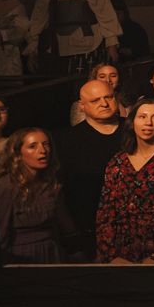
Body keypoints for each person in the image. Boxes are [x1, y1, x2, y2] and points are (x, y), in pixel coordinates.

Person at [94, 98, 154, 262]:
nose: (149, 123)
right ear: (132, 121)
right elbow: (106, 213)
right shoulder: (118, 162)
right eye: (142, 116)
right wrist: (112, 256)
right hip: (120, 252)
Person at [0, 129, 78, 263]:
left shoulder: (51, 184)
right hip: (21, 257)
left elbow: (66, 227)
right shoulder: (4, 188)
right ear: (18, 153)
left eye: (46, 144)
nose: (43, 150)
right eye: (33, 146)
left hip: (52, 254)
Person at [55, 78, 129, 251]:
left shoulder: (134, 130)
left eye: (108, 97)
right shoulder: (66, 140)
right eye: (95, 100)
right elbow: (59, 188)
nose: (104, 103)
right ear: (82, 105)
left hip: (135, 224)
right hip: (88, 226)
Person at [25, 0, 120, 75]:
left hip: (88, 46)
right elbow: (38, 19)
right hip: (58, 47)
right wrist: (33, 49)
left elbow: (107, 16)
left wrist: (111, 45)